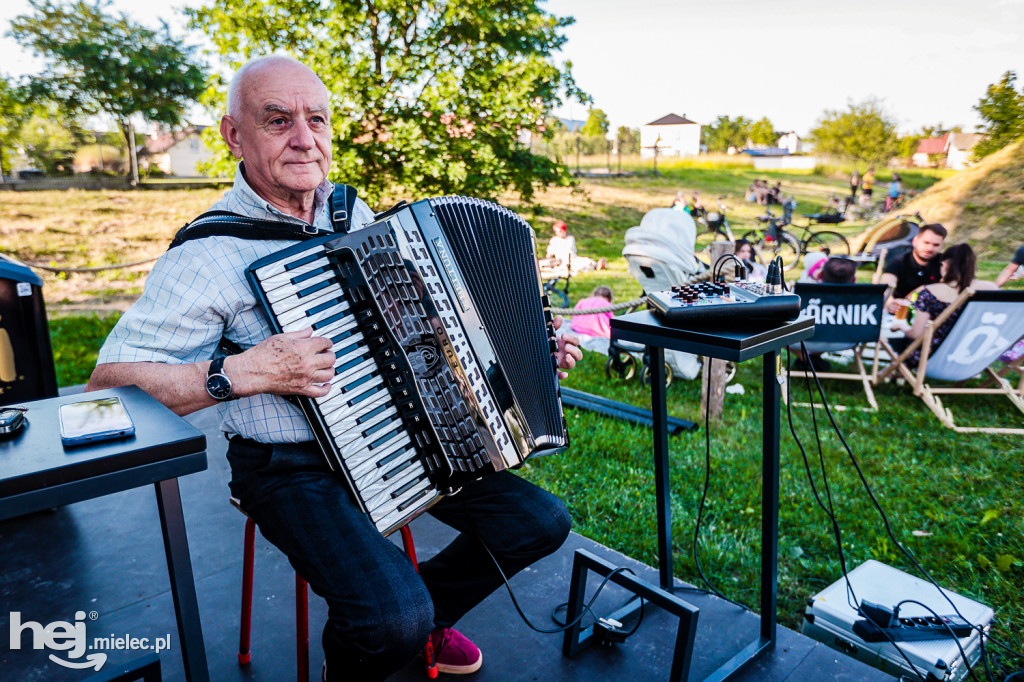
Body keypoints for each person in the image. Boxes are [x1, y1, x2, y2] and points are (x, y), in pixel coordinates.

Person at [85, 55, 582, 682]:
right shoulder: (207, 255)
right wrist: (240, 372)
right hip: (288, 466)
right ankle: (374, 645)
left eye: (316, 119)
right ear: (233, 135)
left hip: (392, 433)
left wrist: (522, 356)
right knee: (386, 619)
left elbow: (420, 332)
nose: (303, 138)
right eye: (277, 120)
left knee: (539, 524)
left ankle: (421, 622)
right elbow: (106, 389)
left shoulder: (350, 213)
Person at [890, 243, 997, 366]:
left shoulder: (929, 292)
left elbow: (916, 334)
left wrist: (901, 326)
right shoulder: (991, 289)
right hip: (974, 356)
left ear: (944, 264)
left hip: (932, 358)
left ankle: (895, 372)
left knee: (904, 341)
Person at [879, 223, 947, 313]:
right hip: (900, 312)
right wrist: (890, 302)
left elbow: (957, 284)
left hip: (931, 314)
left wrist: (923, 289)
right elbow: (886, 284)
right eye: (926, 243)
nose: (930, 248)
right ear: (915, 241)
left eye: (936, 245)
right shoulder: (899, 261)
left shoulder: (944, 263)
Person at [570, 286, 615, 353]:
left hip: (578, 327)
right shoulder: (607, 304)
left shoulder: (583, 301)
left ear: (594, 294)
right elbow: (612, 320)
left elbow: (574, 314)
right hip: (598, 331)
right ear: (609, 298)